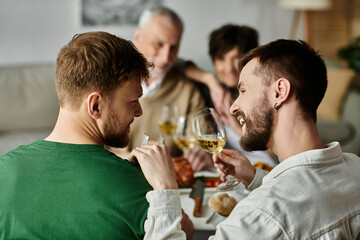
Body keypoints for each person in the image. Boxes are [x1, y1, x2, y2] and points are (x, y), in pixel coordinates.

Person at [131, 39, 360, 239]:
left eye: (243, 91)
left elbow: (283, 209)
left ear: (279, 92)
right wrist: (256, 178)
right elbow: (308, 194)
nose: (233, 107)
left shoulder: (260, 213)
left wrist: (164, 190)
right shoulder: (355, 168)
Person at [0, 31, 192, 239]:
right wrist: (165, 188)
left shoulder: (4, 172)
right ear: (96, 105)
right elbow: (183, 231)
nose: (139, 111)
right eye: (133, 101)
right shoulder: (137, 186)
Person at [112, 6, 208, 164]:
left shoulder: (187, 90)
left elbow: (201, 140)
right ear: (138, 37)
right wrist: (133, 156)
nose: (166, 57)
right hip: (118, 175)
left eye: (174, 47)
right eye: (158, 44)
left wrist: (199, 154)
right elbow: (94, 147)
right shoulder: (112, 84)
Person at [184, 24, 278, 171]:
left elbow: (280, 153)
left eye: (236, 58)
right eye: (221, 59)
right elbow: (176, 66)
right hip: (230, 174)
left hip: (269, 172)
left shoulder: (266, 95)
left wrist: (239, 130)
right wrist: (210, 79)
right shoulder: (214, 93)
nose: (228, 68)